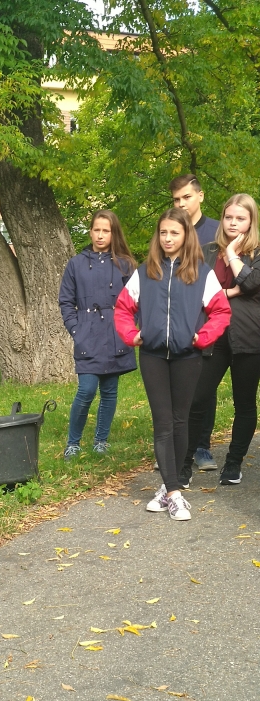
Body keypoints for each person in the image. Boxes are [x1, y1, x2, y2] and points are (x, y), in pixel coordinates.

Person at [114, 208, 230, 521]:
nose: (167, 238)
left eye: (174, 233)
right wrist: (133, 334)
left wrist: (202, 338)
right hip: (152, 356)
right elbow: (123, 309)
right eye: (163, 232)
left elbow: (221, 312)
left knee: (181, 422)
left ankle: (167, 490)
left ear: (185, 236)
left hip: (188, 357)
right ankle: (176, 493)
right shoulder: (145, 272)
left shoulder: (201, 273)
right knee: (163, 422)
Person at [180, 194, 260, 487]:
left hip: (250, 339)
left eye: (241, 218)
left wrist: (234, 255)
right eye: (229, 217)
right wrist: (231, 293)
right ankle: (184, 465)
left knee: (244, 404)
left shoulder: (258, 252)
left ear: (251, 221)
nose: (233, 223)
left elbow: (251, 283)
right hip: (212, 338)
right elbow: (191, 289)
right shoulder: (207, 251)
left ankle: (234, 464)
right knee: (197, 400)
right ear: (222, 219)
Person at [59, 210, 137, 459]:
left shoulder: (125, 264)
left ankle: (101, 441)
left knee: (110, 390)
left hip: (116, 334)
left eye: (106, 230)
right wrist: (76, 329)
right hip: (88, 335)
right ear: (90, 231)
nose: (101, 235)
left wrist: (130, 329)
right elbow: (65, 301)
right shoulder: (76, 264)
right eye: (97, 230)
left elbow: (137, 300)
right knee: (87, 389)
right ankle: (73, 442)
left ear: (113, 233)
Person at [170, 174, 220, 470]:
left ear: (200, 196)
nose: (182, 204)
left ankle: (202, 447)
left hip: (207, 321)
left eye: (186, 197)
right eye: (177, 199)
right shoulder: (170, 230)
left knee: (204, 388)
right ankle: (175, 447)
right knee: (177, 388)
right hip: (175, 320)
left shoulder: (216, 231)